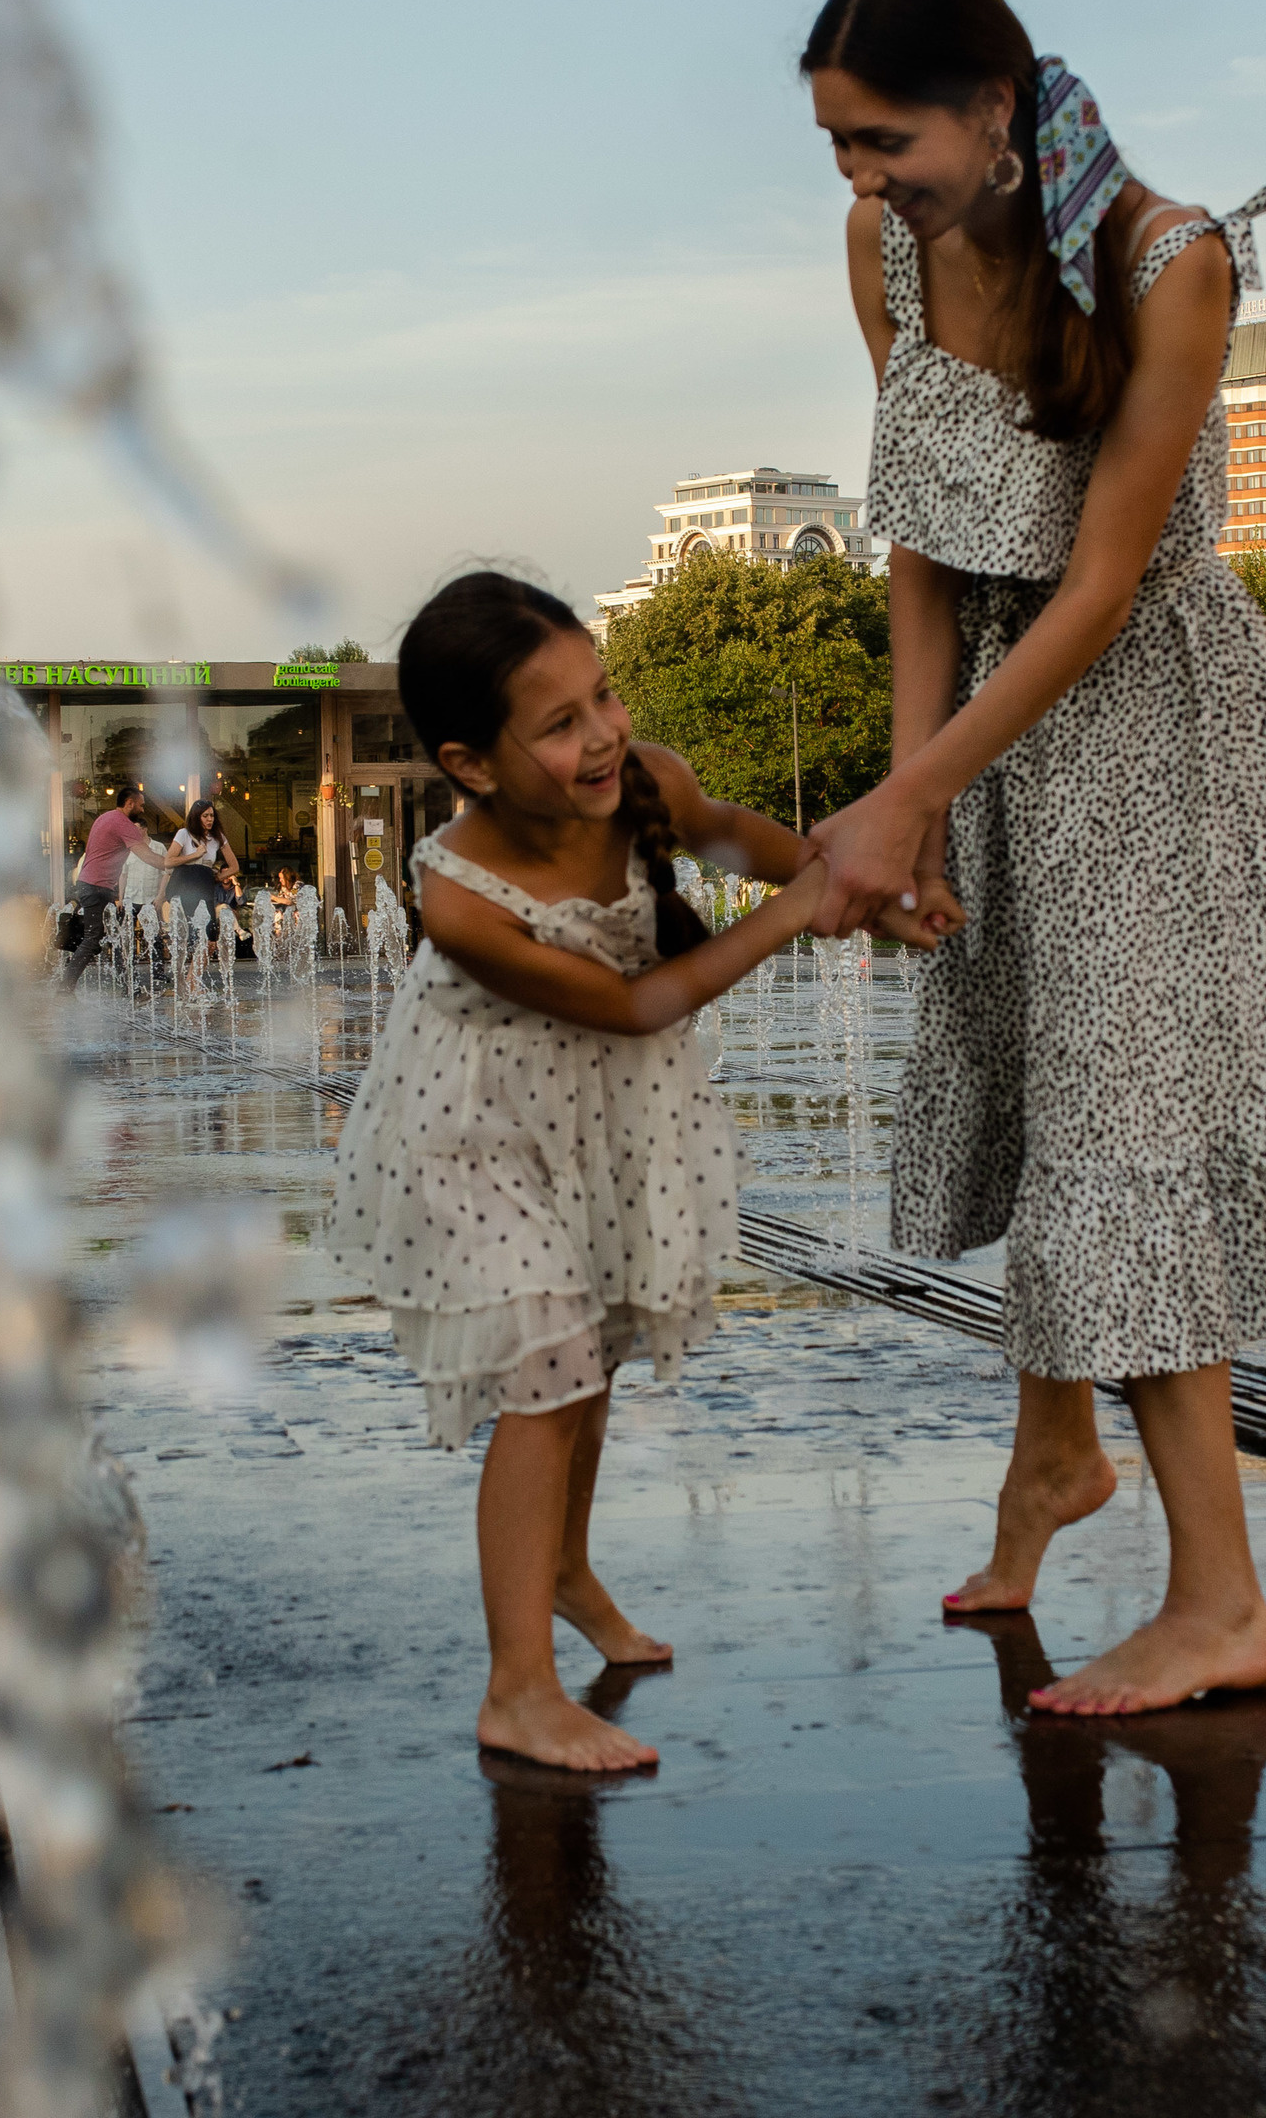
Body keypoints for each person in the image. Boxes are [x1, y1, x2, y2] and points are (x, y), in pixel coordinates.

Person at [800, 0, 1266, 1715]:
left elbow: (1105, 585)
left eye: (884, 139)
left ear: (992, 106)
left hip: (1151, 719)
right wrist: (914, 789)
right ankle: (1057, 1453)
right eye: (836, 146)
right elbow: (920, 541)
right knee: (1050, 1086)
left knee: (1129, 1121)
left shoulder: (1168, 260)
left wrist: (916, 791)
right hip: (1000, 705)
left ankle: (1221, 1603)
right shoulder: (887, 249)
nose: (862, 178)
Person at [331, 571, 933, 1774]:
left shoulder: (647, 780)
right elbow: (636, 1002)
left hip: (597, 1114)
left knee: (590, 1349)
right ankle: (517, 1690)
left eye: (601, 694)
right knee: (544, 1359)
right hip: (471, 1129)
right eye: (558, 724)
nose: (603, 731)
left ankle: (563, 1567)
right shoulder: (456, 897)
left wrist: (878, 898)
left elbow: (765, 847)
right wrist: (798, 912)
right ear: (469, 764)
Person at [59, 783, 161, 990]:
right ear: (129, 803)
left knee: (114, 936)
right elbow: (148, 857)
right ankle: (65, 987)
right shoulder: (121, 823)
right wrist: (173, 862)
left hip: (96, 886)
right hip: (96, 887)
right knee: (93, 938)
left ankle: (129, 986)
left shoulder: (104, 818)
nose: (143, 809)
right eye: (141, 805)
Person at [158, 798, 240, 940]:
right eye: (205, 816)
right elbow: (168, 861)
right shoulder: (184, 833)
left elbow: (234, 867)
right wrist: (194, 855)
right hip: (185, 884)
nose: (210, 819)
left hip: (204, 883)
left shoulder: (217, 837)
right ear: (197, 817)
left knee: (208, 932)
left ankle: (202, 953)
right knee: (188, 931)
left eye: (212, 815)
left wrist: (217, 877)